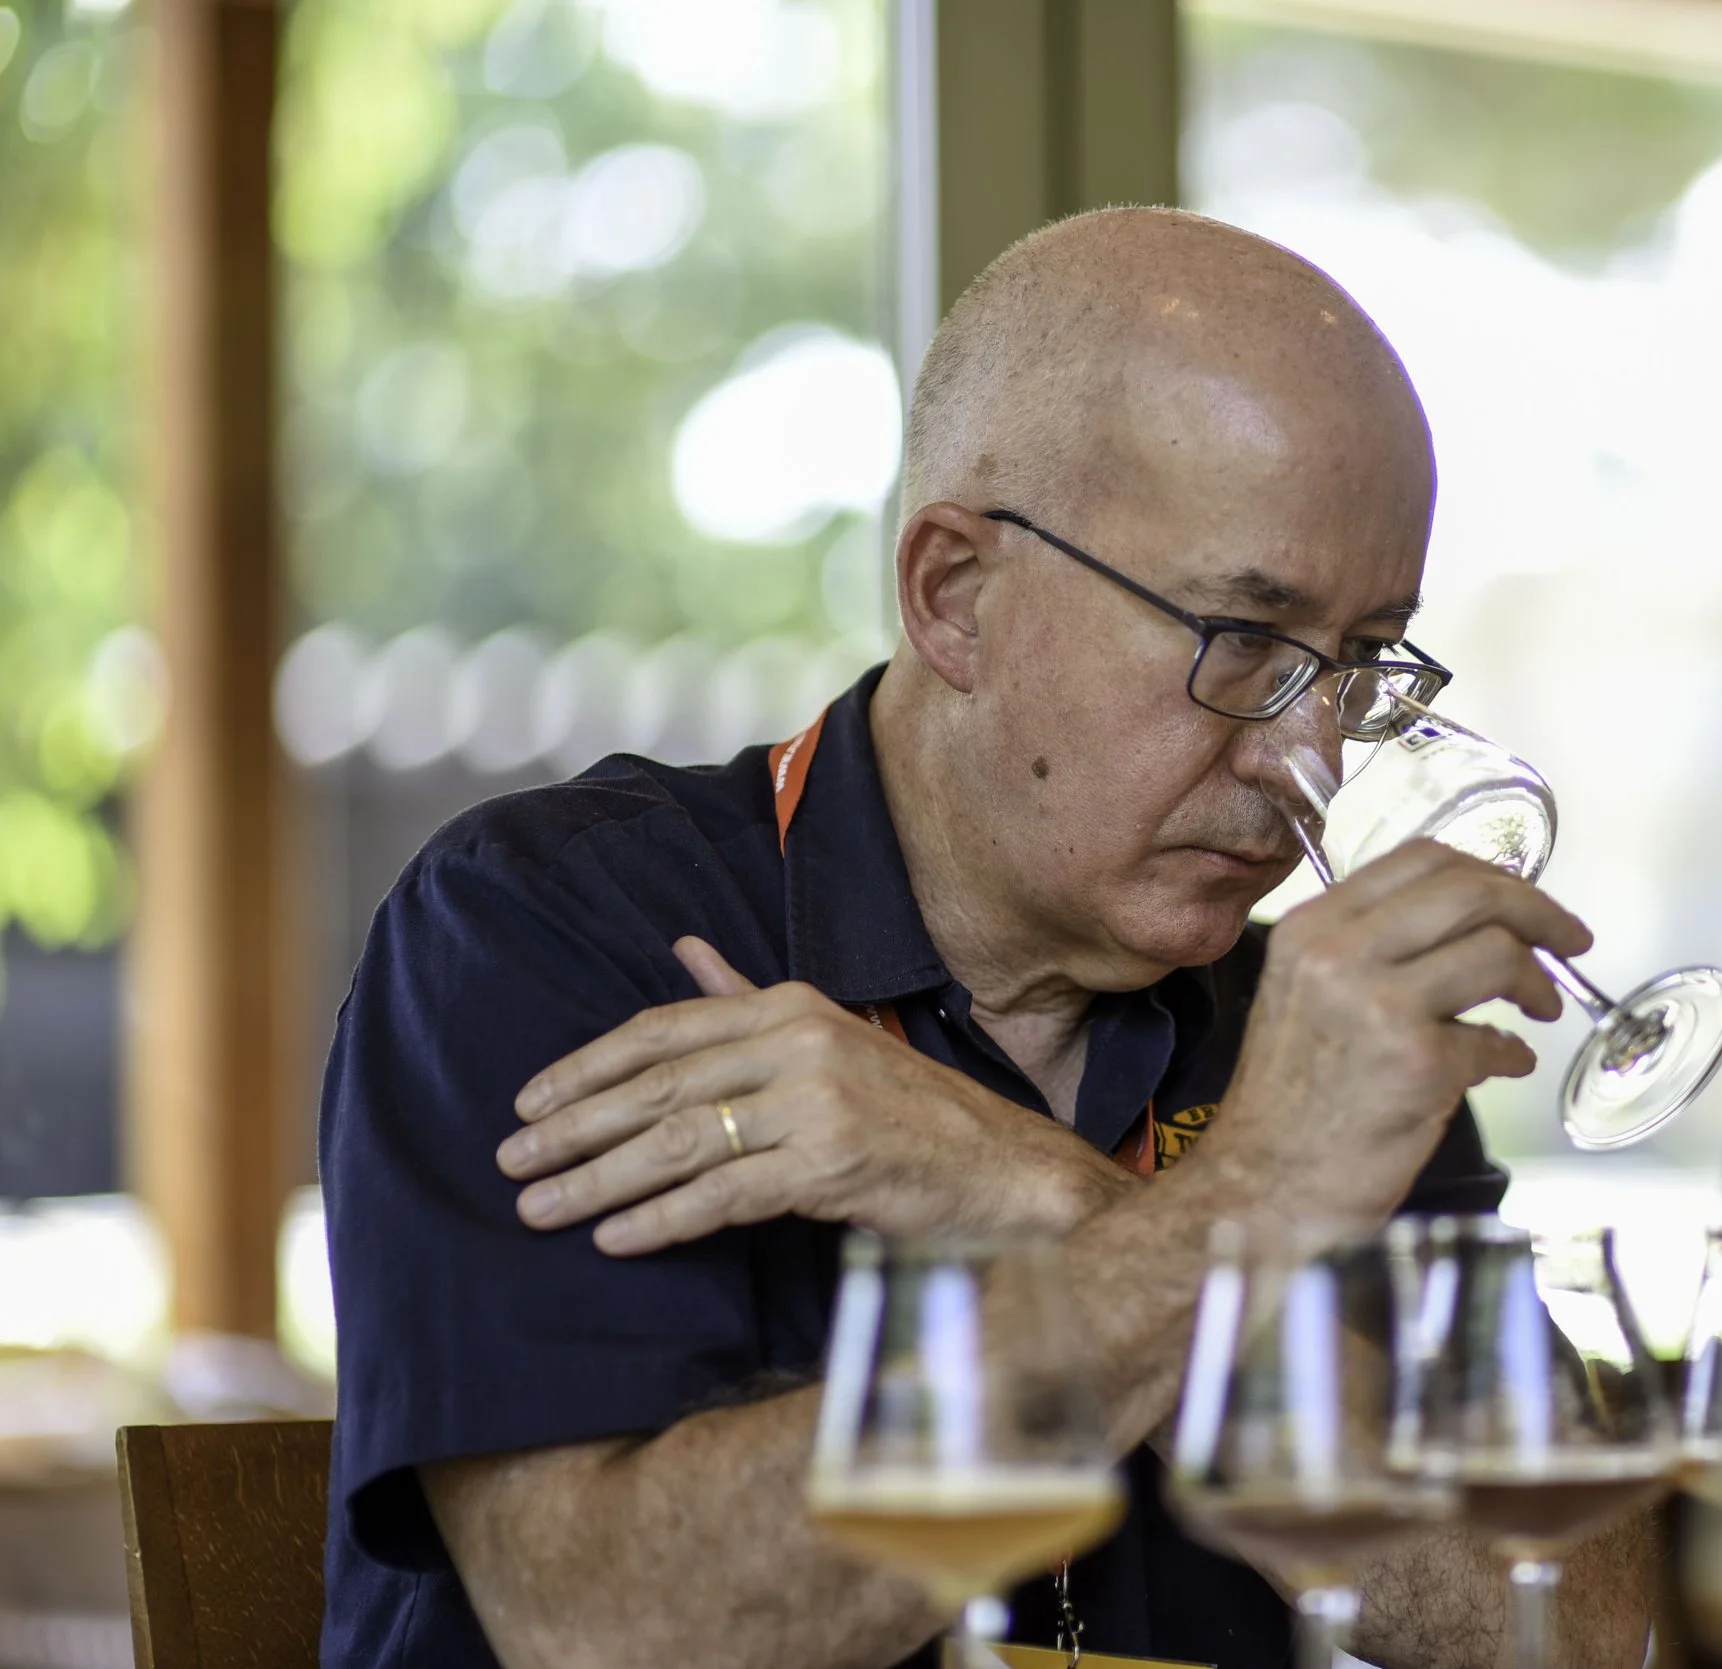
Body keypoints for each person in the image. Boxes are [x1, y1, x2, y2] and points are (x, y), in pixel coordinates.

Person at [318, 208, 1653, 1669]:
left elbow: (1576, 1626)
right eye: (1245, 643)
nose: (1309, 756)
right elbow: (614, 1625)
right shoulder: (555, 924)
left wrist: (1032, 1187)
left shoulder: (1309, 1029)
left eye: (1362, 660)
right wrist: (1240, 1212)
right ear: (954, 595)